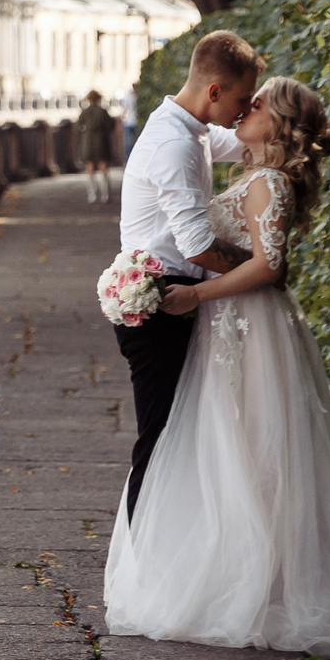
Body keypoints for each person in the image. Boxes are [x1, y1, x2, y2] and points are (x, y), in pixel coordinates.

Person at [102, 75, 330, 658]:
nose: (243, 110)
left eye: (256, 105)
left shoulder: (267, 184)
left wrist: (195, 296)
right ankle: (231, 573)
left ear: (276, 123)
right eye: (244, 98)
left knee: (254, 445)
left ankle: (257, 586)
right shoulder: (243, 162)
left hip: (246, 323)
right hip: (232, 325)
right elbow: (294, 142)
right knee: (228, 444)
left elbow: (269, 269)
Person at [110, 30, 258, 522]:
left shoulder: (190, 127)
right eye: (241, 99)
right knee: (160, 440)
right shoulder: (174, 142)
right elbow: (197, 246)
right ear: (214, 91)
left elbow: (247, 143)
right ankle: (144, 572)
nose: (246, 109)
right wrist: (263, 266)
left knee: (180, 438)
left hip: (178, 296)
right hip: (160, 305)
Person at [75, 89, 119, 203]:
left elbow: (79, 125)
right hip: (101, 141)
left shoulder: (85, 111)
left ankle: (92, 195)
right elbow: (111, 125)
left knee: (89, 167)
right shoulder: (103, 111)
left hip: (88, 141)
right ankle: (105, 194)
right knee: (103, 167)